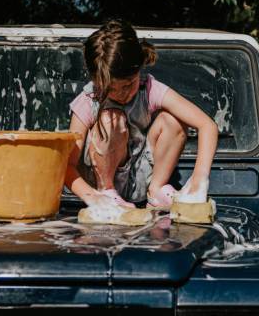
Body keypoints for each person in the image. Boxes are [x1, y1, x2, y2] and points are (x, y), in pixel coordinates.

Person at [64, 18, 219, 211]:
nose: (121, 94)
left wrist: (199, 179)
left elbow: (207, 125)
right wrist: (92, 197)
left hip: (142, 177)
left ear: (140, 68)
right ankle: (108, 191)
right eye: (110, 89)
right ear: (97, 81)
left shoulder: (149, 89)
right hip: (99, 185)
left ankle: (157, 190)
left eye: (128, 84)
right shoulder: (88, 101)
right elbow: (66, 165)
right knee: (110, 119)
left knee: (173, 120)